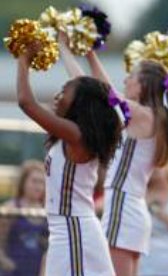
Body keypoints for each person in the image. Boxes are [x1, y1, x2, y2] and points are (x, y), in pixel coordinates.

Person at [57, 32, 168, 276]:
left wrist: (67, 47)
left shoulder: (143, 115)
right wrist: (89, 54)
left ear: (144, 85)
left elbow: (97, 90)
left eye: (132, 76)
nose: (126, 80)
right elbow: (98, 89)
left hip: (123, 207)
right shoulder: (152, 117)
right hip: (131, 208)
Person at [15, 41, 123, 275]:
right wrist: (63, 44)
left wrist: (24, 61)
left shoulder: (76, 135)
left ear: (80, 104)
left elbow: (26, 102)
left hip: (75, 231)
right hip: (67, 230)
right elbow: (87, 86)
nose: (58, 95)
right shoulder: (75, 132)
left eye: (64, 91)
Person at [0, 161, 47, 276]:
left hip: (37, 270)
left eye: (41, 182)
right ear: (23, 182)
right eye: (34, 181)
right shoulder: (10, 208)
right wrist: (5, 261)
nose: (38, 187)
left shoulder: (47, 212)